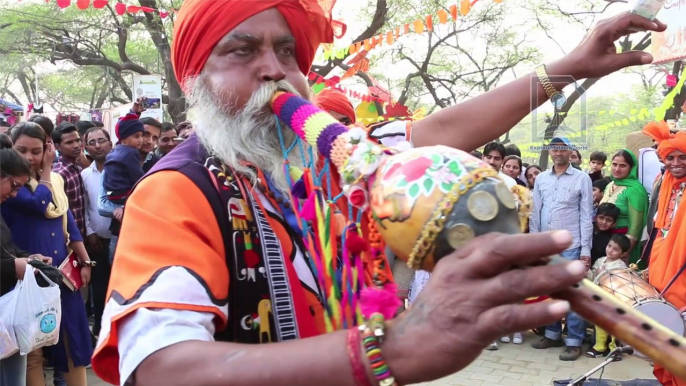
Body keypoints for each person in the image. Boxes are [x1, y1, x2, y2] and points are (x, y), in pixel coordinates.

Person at [90, 3, 665, 384]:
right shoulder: (175, 190)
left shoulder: (322, 159)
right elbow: (163, 369)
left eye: (286, 51)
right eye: (241, 51)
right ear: (195, 81)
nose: (275, 70)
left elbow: (433, 134)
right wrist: (392, 348)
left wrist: (566, 69)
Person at [3, 122, 93, 386]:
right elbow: (39, 204)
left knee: (73, 341)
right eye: (22, 150)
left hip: (62, 272)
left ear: (46, 149)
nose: (29, 157)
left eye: (36, 150)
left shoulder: (55, 181)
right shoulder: (10, 184)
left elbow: (69, 222)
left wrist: (84, 260)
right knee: (32, 350)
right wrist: (46, 169)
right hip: (27, 276)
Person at [530, 136, 593, 361]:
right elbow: (535, 211)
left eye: (563, 149)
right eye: (554, 149)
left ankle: (574, 341)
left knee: (572, 294)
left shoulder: (582, 178)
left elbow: (587, 215)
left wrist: (586, 249)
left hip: (571, 245)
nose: (558, 153)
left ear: (570, 152)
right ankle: (552, 334)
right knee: (550, 292)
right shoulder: (542, 179)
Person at [0, 133, 54, 386]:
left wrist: (28, 258)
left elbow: (6, 247)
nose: (14, 194)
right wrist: (13, 266)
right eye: (14, 186)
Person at [642, 122, 686, 386]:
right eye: (670, 157)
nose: (676, 162)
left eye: (682, 157)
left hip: (682, 280)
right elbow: (658, 230)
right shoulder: (665, 183)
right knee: (664, 347)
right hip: (662, 278)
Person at [81, 126, 114, 343]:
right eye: (92, 142)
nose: (97, 145)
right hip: (97, 242)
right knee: (99, 289)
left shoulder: (119, 169)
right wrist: (90, 232)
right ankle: (101, 333)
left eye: (101, 140)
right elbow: (83, 207)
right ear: (86, 148)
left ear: (110, 143)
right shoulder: (84, 175)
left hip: (122, 240)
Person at [600, 150, 648, 266]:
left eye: (623, 166)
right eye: (614, 164)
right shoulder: (610, 185)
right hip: (606, 242)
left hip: (621, 246)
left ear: (631, 168)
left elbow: (636, 226)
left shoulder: (635, 190)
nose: (617, 169)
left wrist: (625, 252)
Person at [585, 234, 630, 358]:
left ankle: (615, 350)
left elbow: (616, 284)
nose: (610, 250)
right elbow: (593, 278)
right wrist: (587, 272)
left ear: (622, 253)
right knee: (600, 324)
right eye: (609, 246)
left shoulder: (620, 266)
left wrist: (602, 274)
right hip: (600, 299)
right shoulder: (600, 261)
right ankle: (600, 347)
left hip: (613, 302)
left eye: (615, 249)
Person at [52, 122, 89, 246]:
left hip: (83, 237)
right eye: (69, 142)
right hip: (69, 242)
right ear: (58, 147)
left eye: (78, 140)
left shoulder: (77, 168)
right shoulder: (59, 174)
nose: (76, 145)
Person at [103, 113, 145, 204]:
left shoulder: (114, 151)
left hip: (111, 195)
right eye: (136, 136)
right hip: (124, 195)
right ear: (124, 140)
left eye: (142, 135)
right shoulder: (131, 152)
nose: (141, 140)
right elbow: (137, 176)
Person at [591, 203, 620, 267]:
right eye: (601, 218)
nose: (604, 222)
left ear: (614, 224)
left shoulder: (611, 240)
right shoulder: (586, 229)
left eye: (608, 220)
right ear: (595, 217)